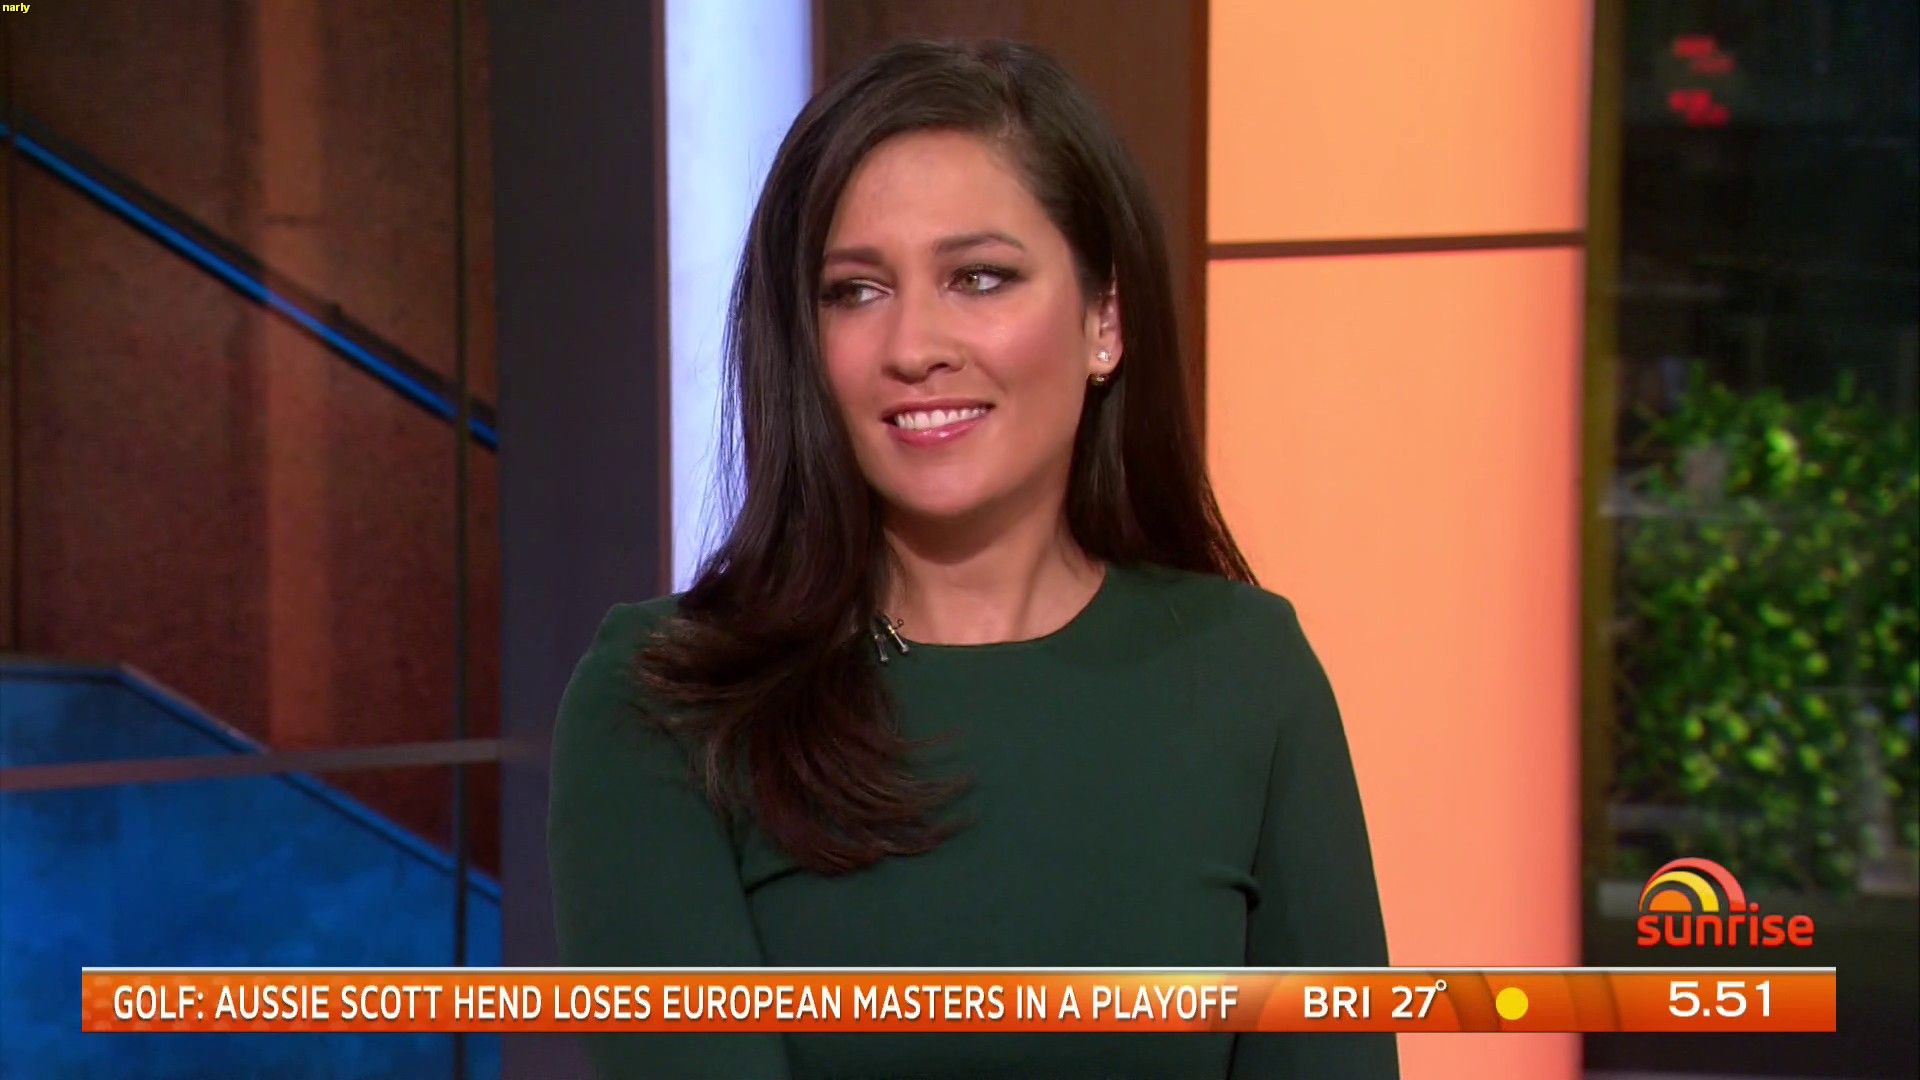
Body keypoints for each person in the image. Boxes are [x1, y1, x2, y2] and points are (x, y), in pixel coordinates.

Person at [548, 38, 1397, 1079]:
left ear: (1105, 319)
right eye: (856, 291)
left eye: (979, 278)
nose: (914, 346)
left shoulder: (1247, 673)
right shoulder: (665, 701)